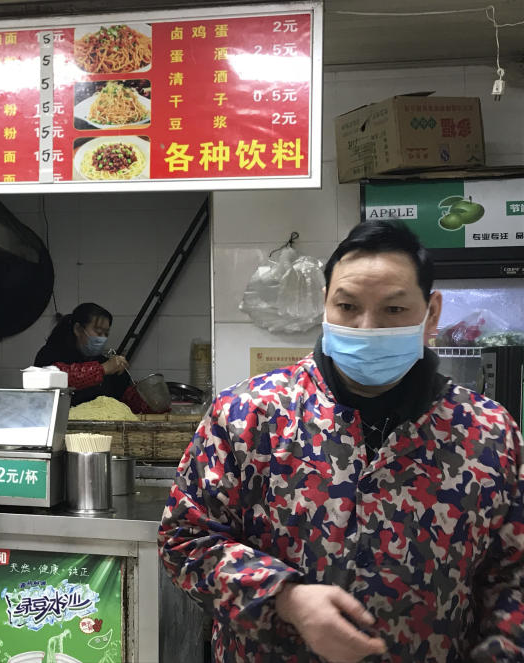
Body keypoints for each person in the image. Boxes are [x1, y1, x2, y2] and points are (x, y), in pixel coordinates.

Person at [159, 220, 524, 662]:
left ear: (432, 313)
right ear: (324, 305)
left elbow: (512, 576)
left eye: (393, 310)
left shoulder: (488, 432)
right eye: (348, 306)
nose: (367, 327)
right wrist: (284, 598)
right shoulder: (249, 414)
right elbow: (185, 537)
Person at [34, 302, 155, 413]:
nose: (102, 338)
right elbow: (56, 378)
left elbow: (127, 397)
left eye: (106, 333)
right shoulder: (50, 354)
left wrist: (149, 401)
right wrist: (102, 370)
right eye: (98, 332)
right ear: (78, 329)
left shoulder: (104, 362)